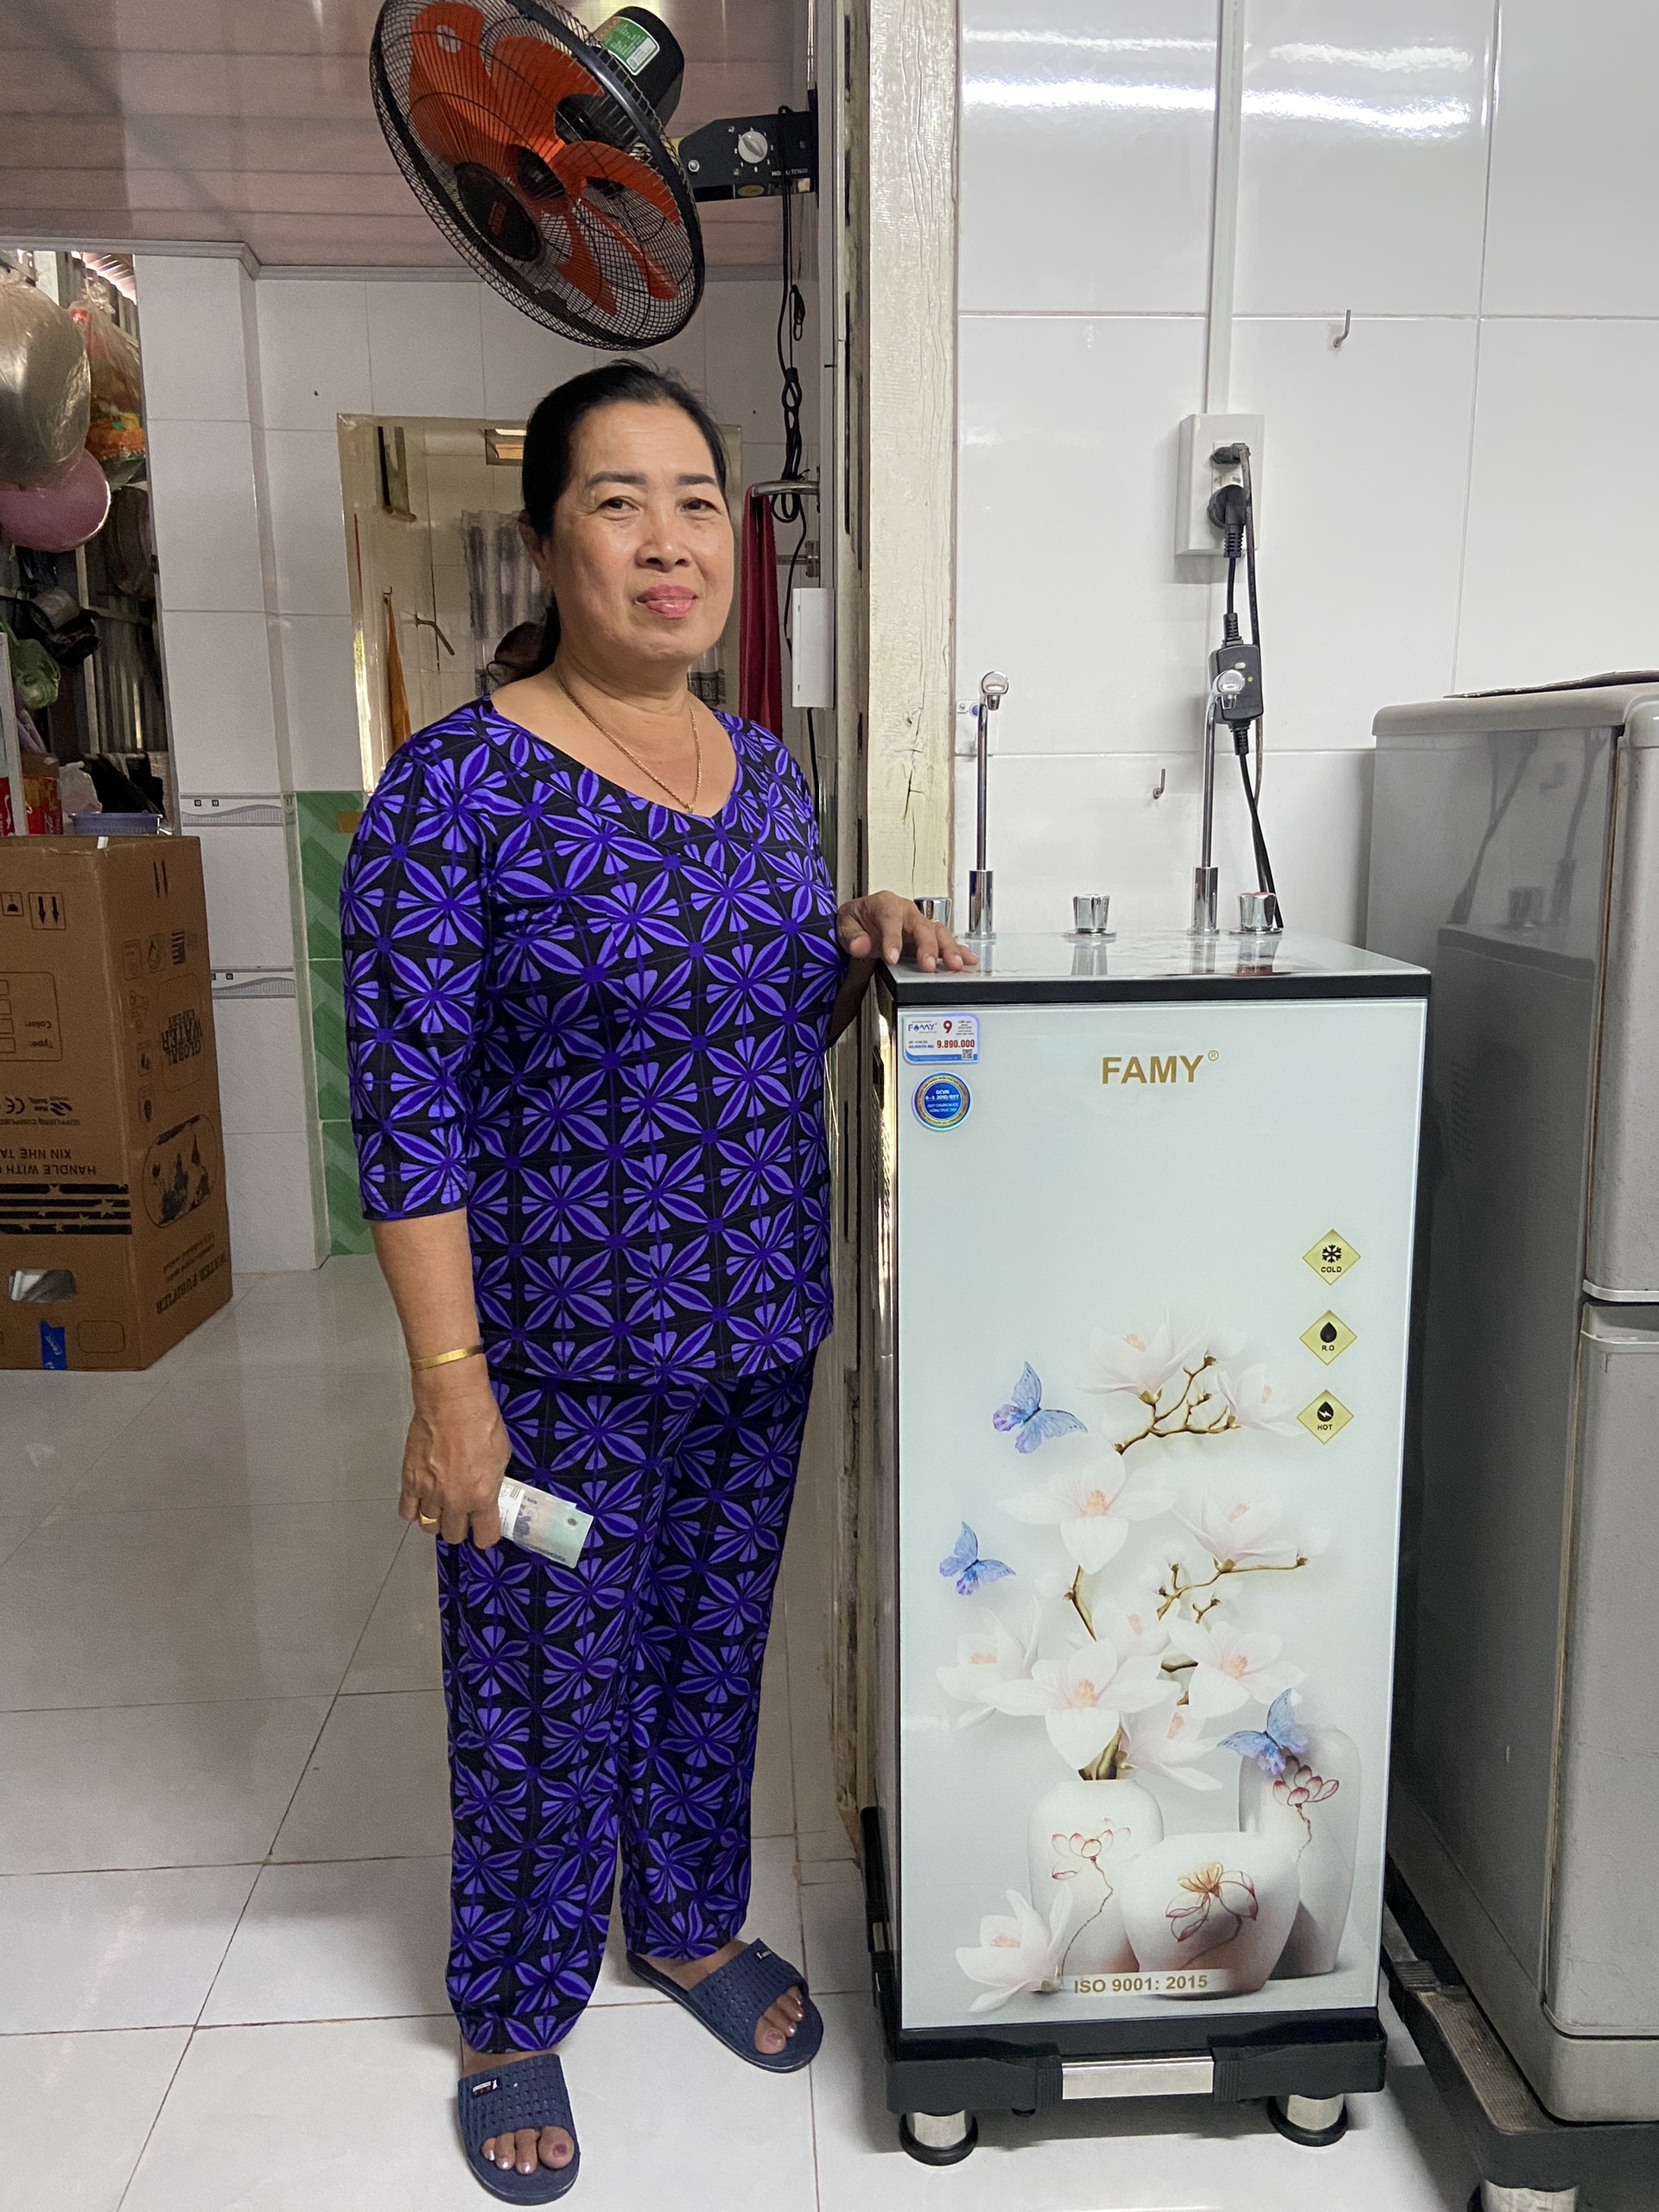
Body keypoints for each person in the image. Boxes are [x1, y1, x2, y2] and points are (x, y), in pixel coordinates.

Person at [341, 359, 971, 2201]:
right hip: (557, 1367)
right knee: (541, 1688)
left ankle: (688, 1920)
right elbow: (406, 1111)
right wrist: (449, 1386)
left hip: (756, 1334)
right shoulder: (456, 793)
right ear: (551, 543)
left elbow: (745, 1018)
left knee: (709, 1650)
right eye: (619, 502)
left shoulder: (764, 775)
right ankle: (512, 2005)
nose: (669, 539)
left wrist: (861, 941)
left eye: (698, 501)